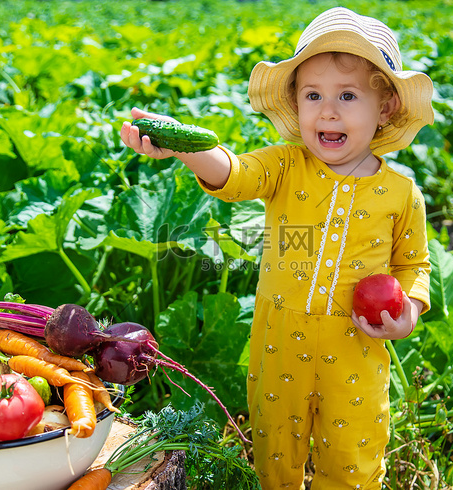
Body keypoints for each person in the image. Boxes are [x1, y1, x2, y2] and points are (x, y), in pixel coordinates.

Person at [120, 6, 434, 489]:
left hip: (357, 345)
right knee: (274, 446)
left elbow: (414, 263)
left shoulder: (401, 193)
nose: (328, 111)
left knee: (353, 455)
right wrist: (185, 147)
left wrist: (408, 311)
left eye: (347, 96)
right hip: (279, 338)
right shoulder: (286, 165)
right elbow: (234, 173)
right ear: (296, 103)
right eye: (313, 95)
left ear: (386, 106)